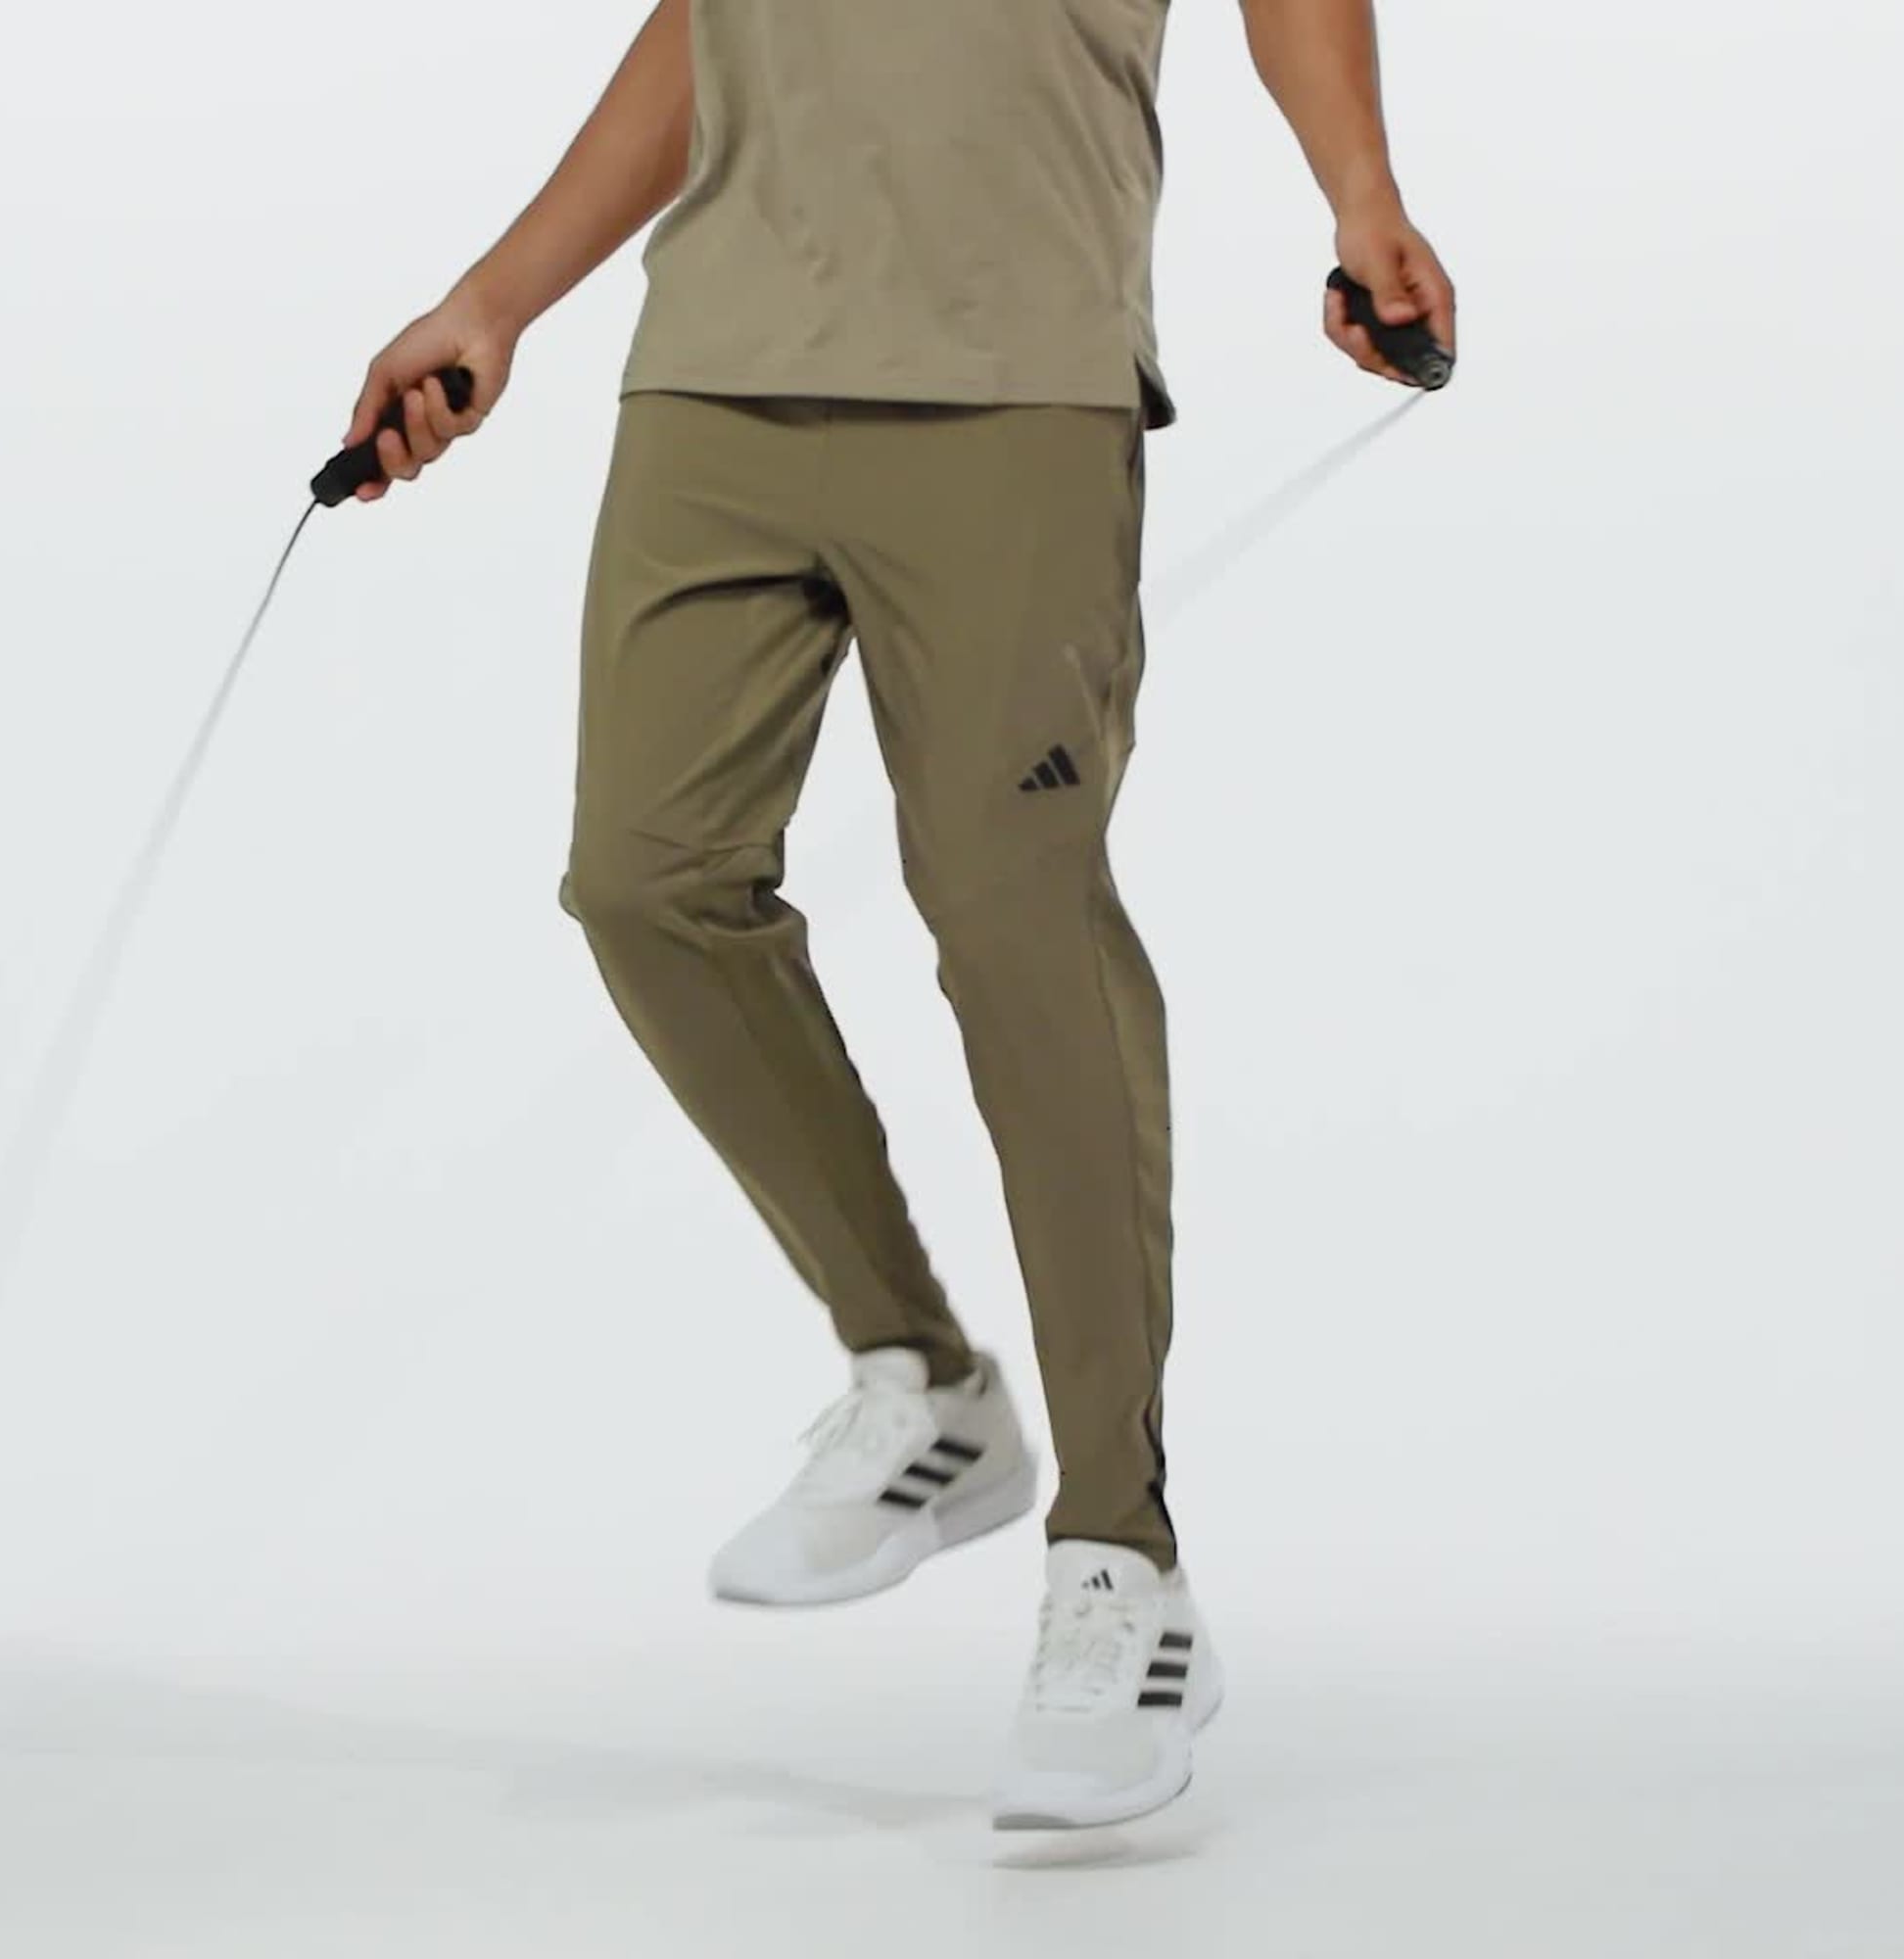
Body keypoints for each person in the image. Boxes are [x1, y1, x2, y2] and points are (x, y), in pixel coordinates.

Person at [340, 0, 1453, 1831]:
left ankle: (1122, 1558)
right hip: (718, 365)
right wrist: (497, 299)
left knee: (1016, 925)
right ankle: (925, 1382)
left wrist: (1361, 192)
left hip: (1014, 368)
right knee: (645, 880)